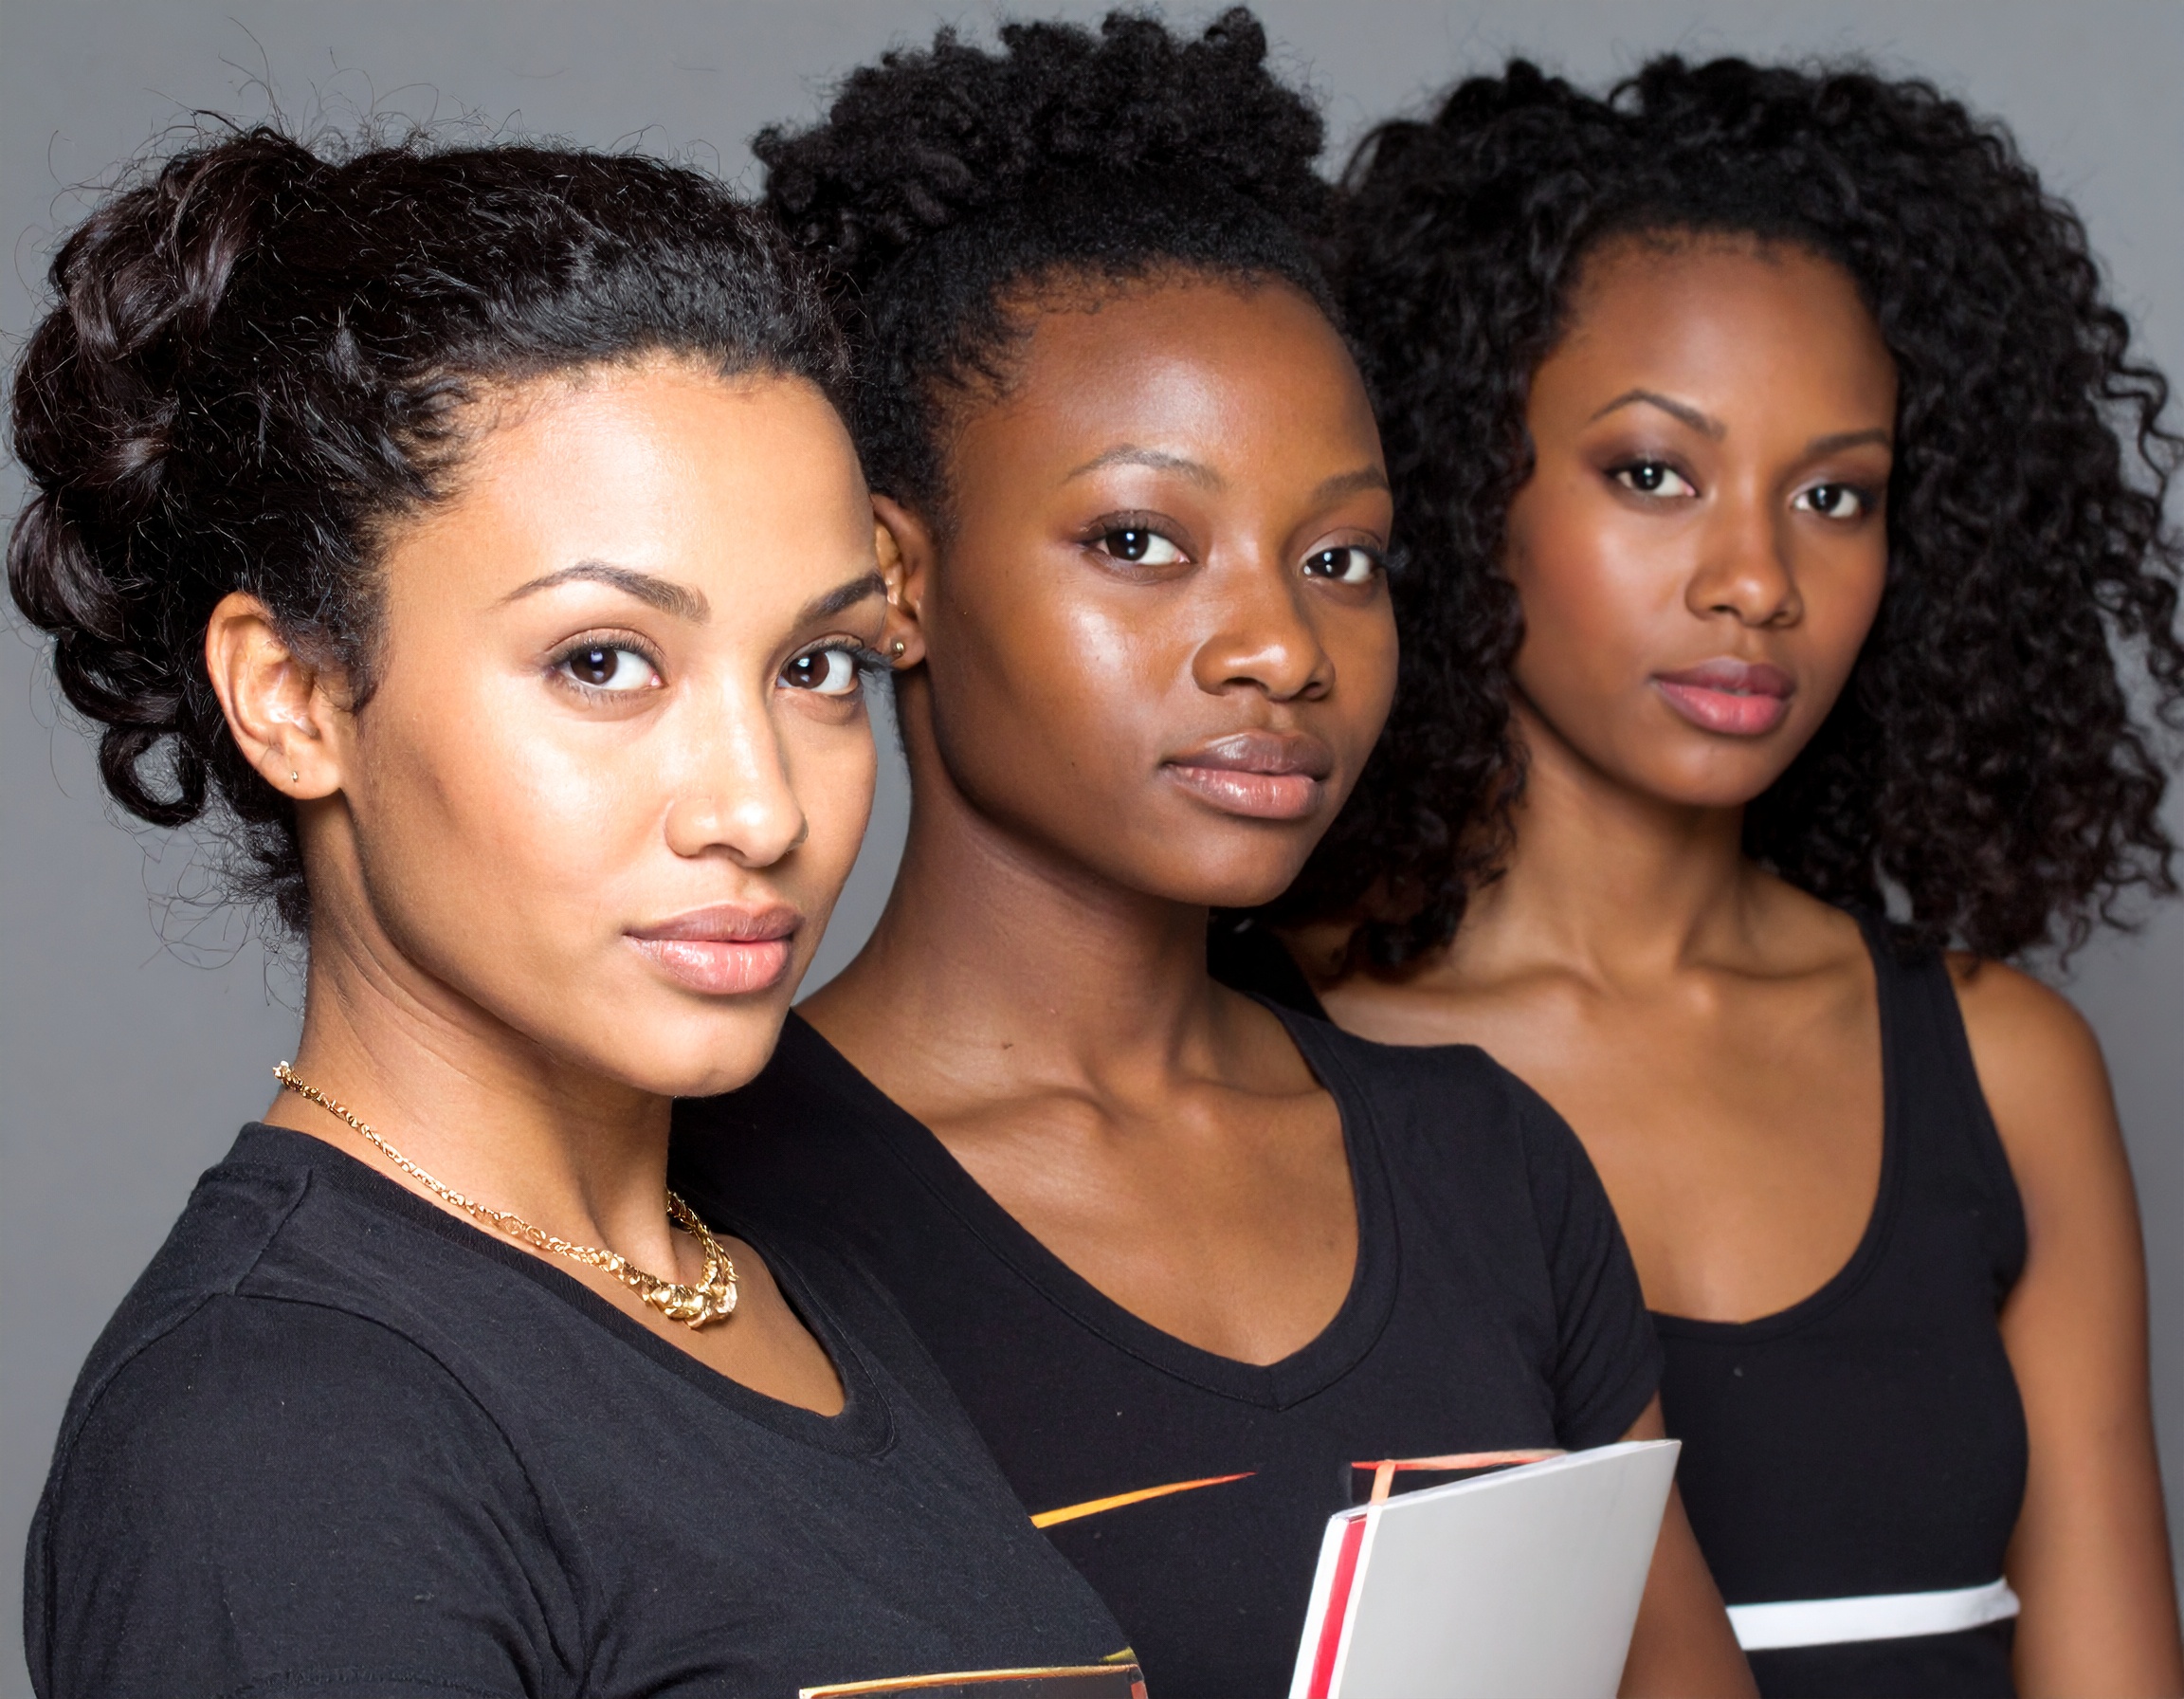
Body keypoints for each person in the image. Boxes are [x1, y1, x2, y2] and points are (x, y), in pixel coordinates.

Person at [671, 14, 1754, 1697]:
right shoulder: (695, 1209)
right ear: (891, 578)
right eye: (1137, 540)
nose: (1280, 646)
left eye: (1341, 555)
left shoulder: (1489, 1173)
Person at [11, 127, 1144, 1698]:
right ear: (294, 697)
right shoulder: (285, 1430)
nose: (759, 807)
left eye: (818, 668)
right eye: (604, 662)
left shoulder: (800, 1288)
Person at [1218, 56, 2184, 1698]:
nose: (1757, 581)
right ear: (1465, 483)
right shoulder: (1250, 1050)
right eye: (1653, 474)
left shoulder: (2002, 1071)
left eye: (1835, 495)